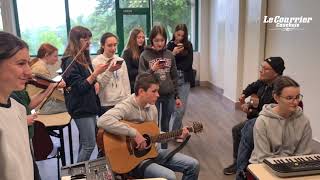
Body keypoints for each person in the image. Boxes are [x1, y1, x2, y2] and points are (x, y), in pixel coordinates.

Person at [97, 73, 199, 180]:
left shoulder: (152, 108)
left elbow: (155, 135)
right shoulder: (126, 106)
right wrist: (134, 133)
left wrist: (176, 135)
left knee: (193, 165)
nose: (158, 95)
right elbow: (103, 121)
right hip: (133, 160)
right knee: (170, 177)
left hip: (152, 152)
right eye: (154, 91)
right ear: (141, 91)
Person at [223, 57, 285, 175]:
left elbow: (269, 114)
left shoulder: (279, 89)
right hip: (259, 117)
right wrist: (244, 94)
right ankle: (238, 163)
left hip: (270, 122)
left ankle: (242, 168)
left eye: (265, 69)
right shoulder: (264, 81)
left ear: (276, 73)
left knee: (240, 130)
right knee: (237, 130)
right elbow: (252, 86)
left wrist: (250, 110)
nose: (261, 71)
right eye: (261, 68)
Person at [61, 26, 109, 162]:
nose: (88, 42)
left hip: (89, 105)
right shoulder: (70, 61)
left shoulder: (84, 57)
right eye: (85, 39)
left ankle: (79, 171)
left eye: (89, 39)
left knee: (85, 143)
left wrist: (96, 81)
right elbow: (79, 88)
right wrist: (95, 74)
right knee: (89, 145)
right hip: (81, 107)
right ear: (76, 41)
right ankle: (78, 173)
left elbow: (88, 81)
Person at [249, 76, 312, 163]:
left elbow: (304, 154)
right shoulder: (263, 121)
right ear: (276, 97)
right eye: (289, 98)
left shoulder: (304, 121)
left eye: (297, 97)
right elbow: (263, 157)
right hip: (263, 165)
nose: (296, 102)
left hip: (293, 165)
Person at [139, 25, 182, 147]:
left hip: (168, 95)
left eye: (162, 40)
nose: (159, 43)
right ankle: (153, 150)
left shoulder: (169, 54)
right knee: (153, 124)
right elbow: (141, 78)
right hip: (153, 96)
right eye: (156, 40)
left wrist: (177, 96)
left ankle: (164, 150)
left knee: (165, 124)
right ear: (151, 40)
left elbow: (174, 77)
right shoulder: (145, 55)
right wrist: (152, 69)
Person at [0, 31, 33, 179]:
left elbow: (26, 163)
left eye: (28, 63)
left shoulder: (18, 108)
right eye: (21, 64)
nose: (29, 72)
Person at [92, 32, 130, 116]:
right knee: (106, 129)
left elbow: (126, 83)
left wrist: (127, 101)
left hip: (121, 102)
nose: (113, 48)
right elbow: (100, 86)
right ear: (102, 45)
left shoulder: (120, 60)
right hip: (106, 104)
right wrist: (110, 71)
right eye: (109, 45)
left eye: (115, 45)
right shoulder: (96, 62)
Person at [167, 24, 194, 136]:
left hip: (184, 79)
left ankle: (174, 133)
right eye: (178, 35)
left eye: (183, 36)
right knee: (172, 110)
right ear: (174, 33)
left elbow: (188, 63)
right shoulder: (169, 45)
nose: (180, 38)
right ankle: (178, 130)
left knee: (180, 110)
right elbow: (167, 62)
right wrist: (173, 53)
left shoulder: (189, 45)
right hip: (171, 80)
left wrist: (176, 65)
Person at [26, 43, 67, 114]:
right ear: (46, 55)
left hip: (42, 102)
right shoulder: (40, 68)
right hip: (42, 105)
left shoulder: (39, 65)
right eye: (55, 56)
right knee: (73, 105)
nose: (57, 59)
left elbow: (47, 85)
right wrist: (60, 88)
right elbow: (50, 90)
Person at [122, 27, 146, 93]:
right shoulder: (127, 52)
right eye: (139, 37)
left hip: (145, 84)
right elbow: (128, 71)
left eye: (143, 37)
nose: (141, 40)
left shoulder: (145, 51)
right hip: (133, 85)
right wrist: (143, 71)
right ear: (133, 38)